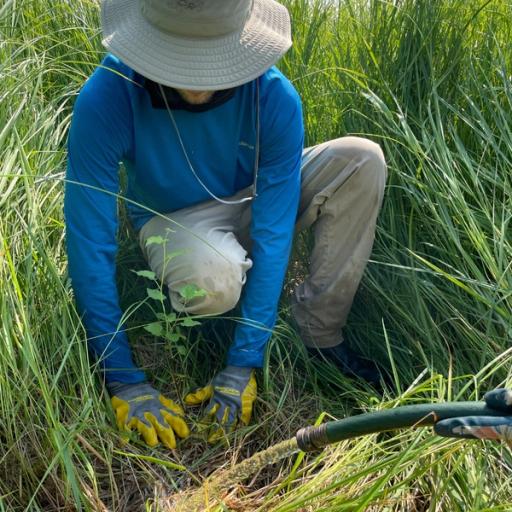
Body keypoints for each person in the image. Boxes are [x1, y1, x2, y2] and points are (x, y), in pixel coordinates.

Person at [65, 0, 387, 449]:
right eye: (180, 64)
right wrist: (123, 379)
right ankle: (220, 293)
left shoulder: (274, 96)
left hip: (256, 197)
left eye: (214, 65)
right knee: (212, 280)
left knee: (361, 158)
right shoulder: (108, 95)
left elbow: (274, 230)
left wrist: (243, 363)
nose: (199, 89)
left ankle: (319, 334)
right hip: (175, 218)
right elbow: (89, 240)